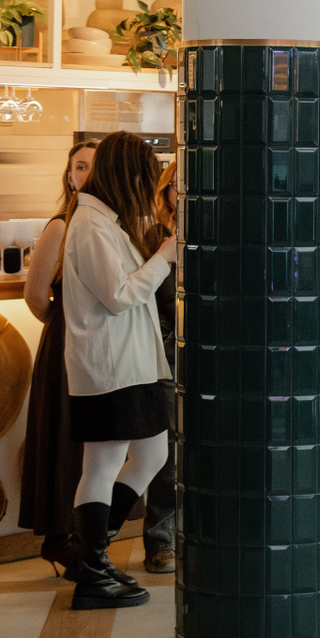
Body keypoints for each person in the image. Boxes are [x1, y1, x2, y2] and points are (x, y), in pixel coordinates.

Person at [60, 131, 175, 609]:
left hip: (131, 363)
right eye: (144, 178)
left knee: (151, 455)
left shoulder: (104, 220)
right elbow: (119, 295)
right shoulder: (90, 223)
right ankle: (91, 570)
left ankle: (91, 554)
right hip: (109, 365)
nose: (147, 190)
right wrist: (165, 256)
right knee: (103, 464)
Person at [20, 141, 96, 576]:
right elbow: (34, 295)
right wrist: (63, 324)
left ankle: (84, 538)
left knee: (91, 444)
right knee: (64, 438)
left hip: (95, 343)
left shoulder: (106, 223)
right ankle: (59, 538)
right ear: (69, 176)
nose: (86, 173)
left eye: (94, 167)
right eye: (79, 166)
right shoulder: (60, 226)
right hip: (66, 342)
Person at [136, 161, 182, 564]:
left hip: (207, 348)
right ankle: (160, 540)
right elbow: (168, 299)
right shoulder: (156, 235)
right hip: (170, 349)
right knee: (168, 449)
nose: (184, 193)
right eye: (177, 185)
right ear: (165, 192)